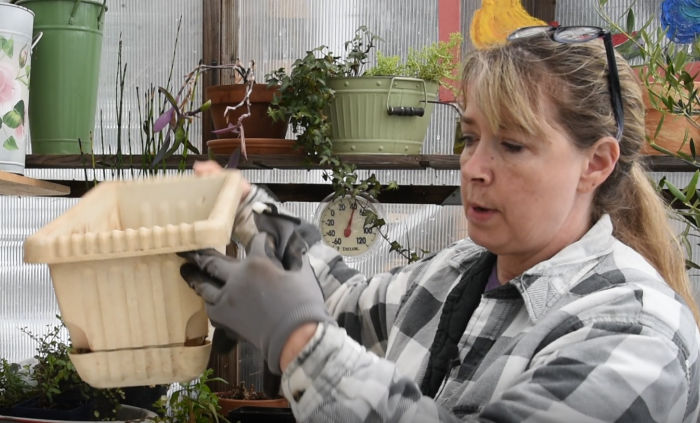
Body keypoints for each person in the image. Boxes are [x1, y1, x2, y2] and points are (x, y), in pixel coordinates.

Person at [179, 26, 700, 422]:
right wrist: (249, 209)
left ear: (597, 163)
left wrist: (297, 338)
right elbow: (346, 307)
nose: (473, 168)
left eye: (512, 145)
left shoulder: (638, 337)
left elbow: (314, 326)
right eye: (470, 138)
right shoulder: (460, 273)